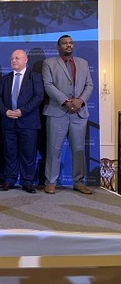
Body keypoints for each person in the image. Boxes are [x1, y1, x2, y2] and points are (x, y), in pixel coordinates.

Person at [42, 35, 94, 195]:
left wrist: (80, 101)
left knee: (78, 149)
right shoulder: (49, 63)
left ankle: (78, 182)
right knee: (54, 149)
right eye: (65, 43)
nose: (68, 45)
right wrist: (66, 101)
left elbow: (89, 85)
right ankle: (50, 182)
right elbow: (48, 85)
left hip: (79, 113)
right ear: (58, 47)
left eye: (71, 43)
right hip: (58, 111)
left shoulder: (83, 63)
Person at [0, 49, 44, 194]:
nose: (14, 61)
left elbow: (38, 97)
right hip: (8, 122)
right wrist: (5, 111)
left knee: (28, 154)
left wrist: (22, 111)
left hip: (28, 122)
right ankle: (9, 181)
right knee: (9, 153)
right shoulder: (6, 78)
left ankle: (27, 182)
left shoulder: (35, 77)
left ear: (25, 60)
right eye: (12, 58)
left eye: (17, 58)